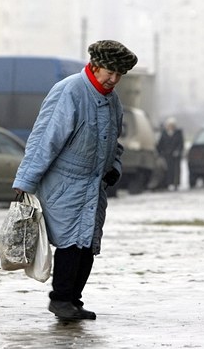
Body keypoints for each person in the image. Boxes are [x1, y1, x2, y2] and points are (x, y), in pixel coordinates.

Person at [12, 40, 138, 321]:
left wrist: (114, 167)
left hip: (94, 185)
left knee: (87, 244)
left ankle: (73, 300)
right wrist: (25, 181)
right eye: (110, 72)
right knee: (70, 243)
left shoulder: (112, 100)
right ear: (95, 65)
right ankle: (60, 300)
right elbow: (45, 139)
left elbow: (115, 142)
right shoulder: (69, 91)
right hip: (64, 183)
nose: (114, 79)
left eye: (120, 75)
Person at [157, 117, 184, 191]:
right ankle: (168, 184)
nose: (170, 127)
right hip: (167, 155)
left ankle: (175, 184)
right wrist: (160, 153)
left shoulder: (178, 133)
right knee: (167, 170)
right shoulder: (164, 133)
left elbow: (181, 144)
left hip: (175, 156)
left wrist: (178, 151)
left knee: (176, 171)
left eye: (172, 125)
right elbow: (160, 144)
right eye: (169, 125)